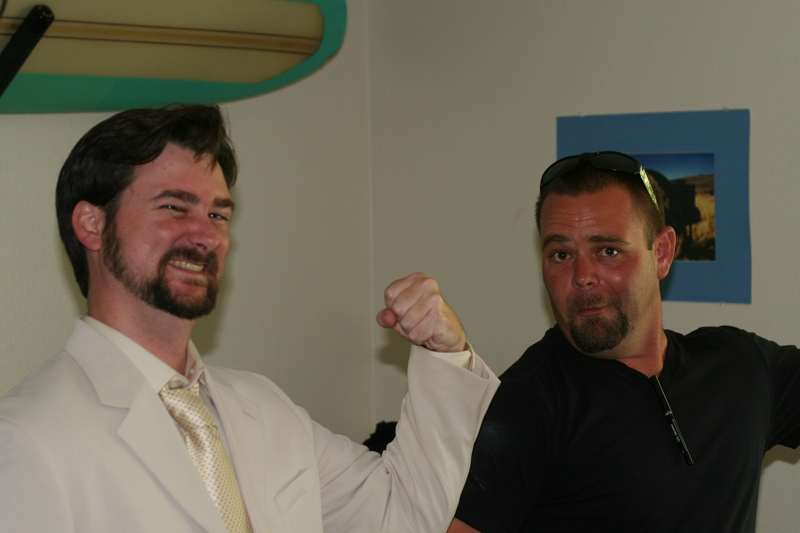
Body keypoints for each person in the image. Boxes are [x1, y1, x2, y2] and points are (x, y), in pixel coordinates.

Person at [0, 104, 499, 533]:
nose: (206, 236)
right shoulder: (26, 439)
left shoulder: (263, 408)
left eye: (218, 214)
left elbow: (403, 515)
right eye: (174, 207)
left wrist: (444, 354)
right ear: (92, 224)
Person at [449, 151, 800, 533]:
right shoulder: (524, 406)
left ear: (662, 253)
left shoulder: (740, 368)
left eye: (608, 251)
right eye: (561, 254)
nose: (582, 276)